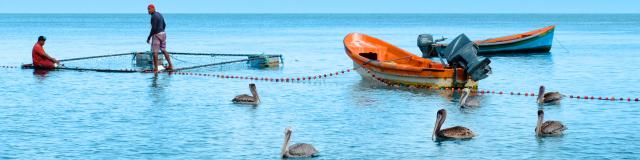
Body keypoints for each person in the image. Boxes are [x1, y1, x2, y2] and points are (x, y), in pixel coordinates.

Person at [146, 4, 173, 71]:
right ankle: (170, 66)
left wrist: (149, 37)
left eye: (149, 9)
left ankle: (156, 68)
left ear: (153, 9)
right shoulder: (160, 14)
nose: (148, 11)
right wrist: (161, 31)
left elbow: (154, 28)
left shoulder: (153, 17)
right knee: (163, 50)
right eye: (148, 9)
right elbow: (164, 25)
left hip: (157, 35)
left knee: (155, 52)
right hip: (163, 34)